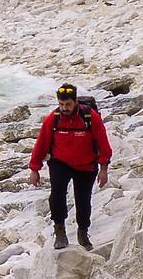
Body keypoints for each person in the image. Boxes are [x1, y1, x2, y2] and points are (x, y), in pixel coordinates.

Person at [28, 83, 112, 249]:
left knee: (83, 199)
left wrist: (104, 169)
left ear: (76, 101)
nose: (64, 108)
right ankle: (59, 230)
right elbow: (41, 144)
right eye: (61, 104)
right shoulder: (53, 118)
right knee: (57, 193)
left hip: (86, 164)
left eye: (68, 104)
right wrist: (34, 169)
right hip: (60, 162)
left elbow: (103, 144)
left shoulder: (90, 117)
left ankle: (82, 232)